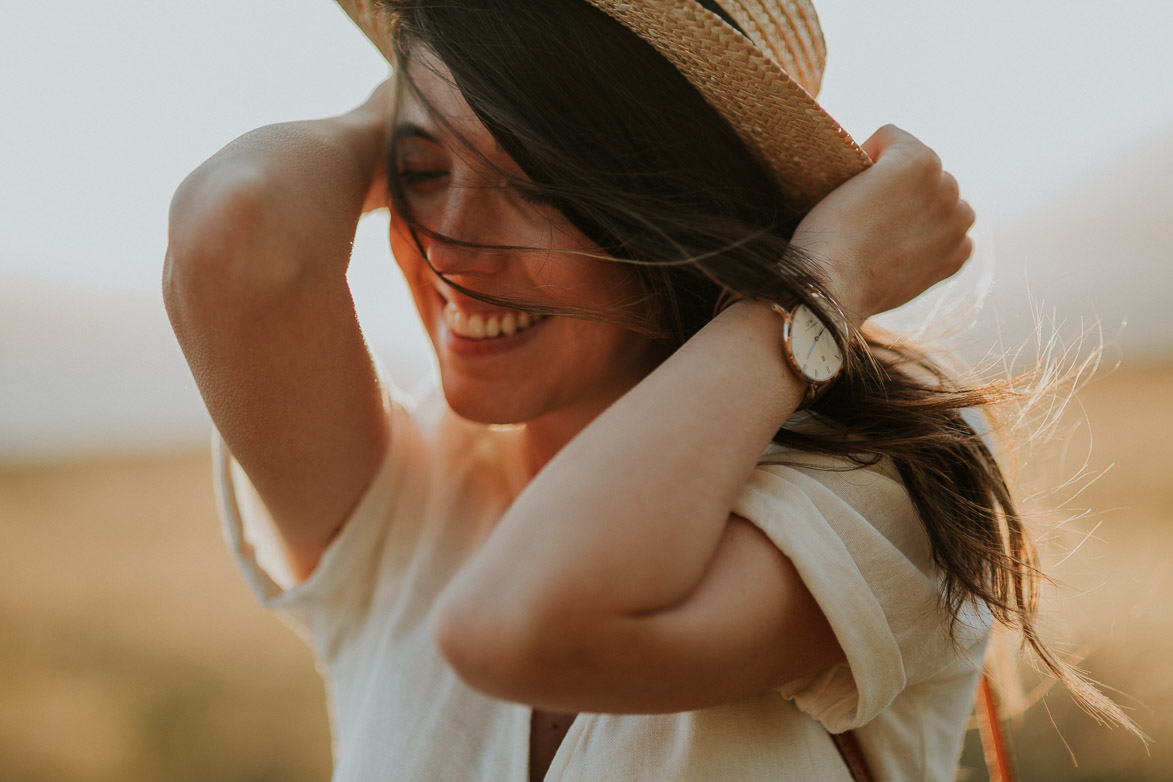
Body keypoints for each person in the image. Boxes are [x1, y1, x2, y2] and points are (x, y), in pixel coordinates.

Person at [162, 1, 1131, 779]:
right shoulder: (412, 490)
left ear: (684, 209)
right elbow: (235, 227)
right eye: (418, 168)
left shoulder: (872, 484)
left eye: (537, 177)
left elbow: (522, 627)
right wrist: (447, 48)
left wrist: (820, 286)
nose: (450, 237)